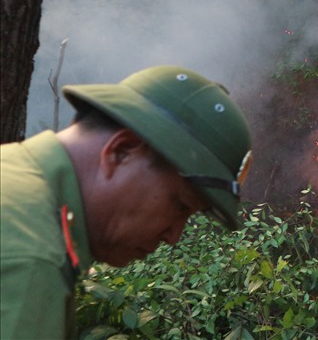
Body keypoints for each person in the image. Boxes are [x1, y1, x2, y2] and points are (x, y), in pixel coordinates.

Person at [0, 66, 253, 340]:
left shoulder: (15, 176)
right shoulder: (33, 256)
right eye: (180, 206)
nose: (174, 236)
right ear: (121, 152)